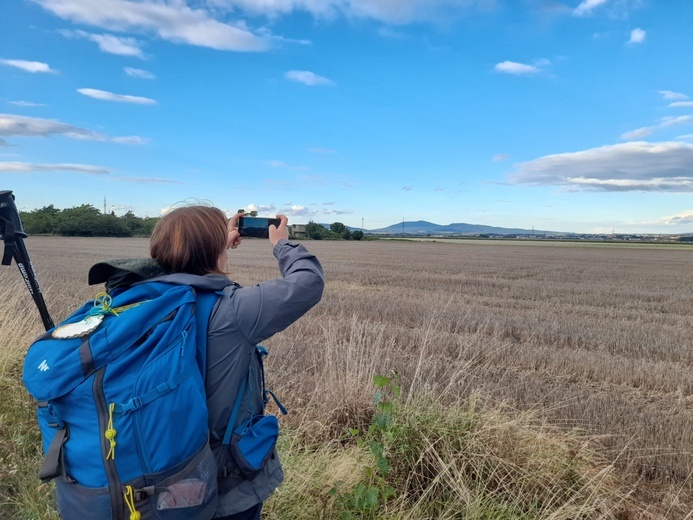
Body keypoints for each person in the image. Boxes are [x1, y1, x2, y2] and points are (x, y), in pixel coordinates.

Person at [88, 206, 325, 519]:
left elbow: (183, 267)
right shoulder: (233, 312)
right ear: (214, 250)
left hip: (153, 473)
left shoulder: (132, 303)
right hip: (222, 486)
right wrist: (282, 243)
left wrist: (215, 243)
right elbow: (308, 282)